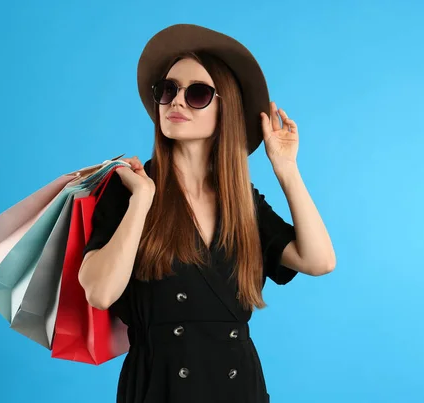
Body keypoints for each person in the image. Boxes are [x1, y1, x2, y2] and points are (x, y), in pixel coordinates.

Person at [78, 24, 336, 403]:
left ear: (225, 108)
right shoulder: (130, 187)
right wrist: (142, 200)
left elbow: (319, 261)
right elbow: (99, 293)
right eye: (168, 90)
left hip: (238, 388)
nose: (176, 102)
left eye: (196, 93)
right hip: (158, 388)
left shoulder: (241, 200)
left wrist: (286, 168)